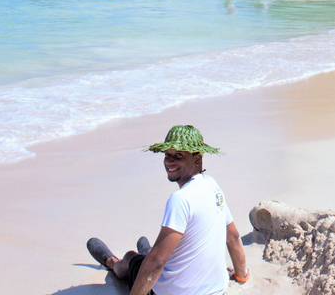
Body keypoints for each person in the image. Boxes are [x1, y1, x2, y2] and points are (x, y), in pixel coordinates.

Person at [86, 125, 249, 295]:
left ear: (197, 160)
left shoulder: (181, 199)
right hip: (217, 291)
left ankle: (112, 263)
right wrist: (241, 275)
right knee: (154, 255)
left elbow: (157, 262)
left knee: (131, 258)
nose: (169, 161)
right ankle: (145, 251)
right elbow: (233, 237)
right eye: (167, 155)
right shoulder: (213, 186)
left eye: (178, 155)